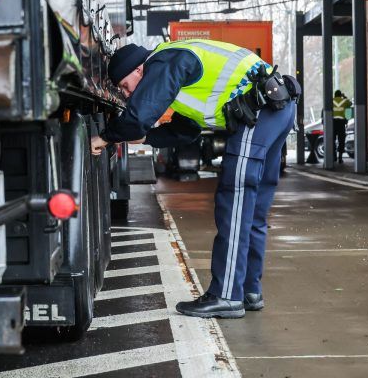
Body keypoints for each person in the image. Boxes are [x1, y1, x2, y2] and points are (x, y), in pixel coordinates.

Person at [91, 40, 297, 319]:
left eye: (125, 85)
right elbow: (186, 131)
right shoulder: (177, 69)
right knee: (254, 208)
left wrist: (104, 137)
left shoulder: (166, 61)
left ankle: (226, 295)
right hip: (276, 108)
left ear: (139, 70)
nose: (126, 94)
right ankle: (248, 289)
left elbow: (138, 115)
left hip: (258, 111)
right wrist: (148, 137)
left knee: (234, 200)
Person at [332, 90, 352, 164]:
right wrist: (345, 97)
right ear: (340, 95)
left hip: (333, 123)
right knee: (341, 140)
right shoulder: (344, 101)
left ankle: (333, 156)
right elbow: (350, 104)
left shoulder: (332, 101)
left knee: (332, 140)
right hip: (341, 123)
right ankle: (340, 157)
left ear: (335, 95)